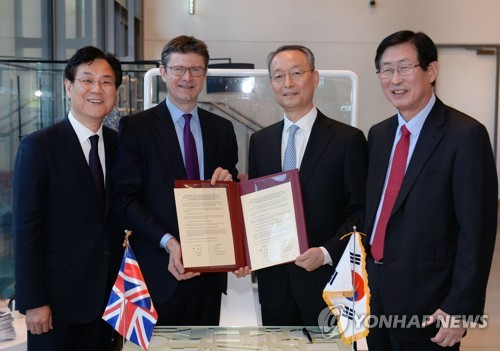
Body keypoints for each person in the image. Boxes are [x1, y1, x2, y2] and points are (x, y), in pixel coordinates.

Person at [364, 30, 498, 351]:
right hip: (375, 296)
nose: (394, 79)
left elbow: (476, 232)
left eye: (405, 67)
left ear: (431, 71)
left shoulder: (465, 136)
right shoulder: (379, 135)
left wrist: (460, 308)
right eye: (385, 69)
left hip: (431, 303)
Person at [111, 35, 238, 325]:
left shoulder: (222, 129)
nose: (187, 77)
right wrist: (169, 242)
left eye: (195, 69)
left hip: (209, 276)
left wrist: (228, 184)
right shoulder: (136, 128)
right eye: (179, 69)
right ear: (164, 72)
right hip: (157, 273)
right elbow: (125, 200)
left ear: (205, 75)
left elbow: (230, 196)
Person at [247, 45, 368, 326]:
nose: (287, 83)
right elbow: (255, 209)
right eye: (278, 76)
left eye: (296, 73)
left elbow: (361, 213)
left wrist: (326, 253)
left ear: (314, 78)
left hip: (327, 285)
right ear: (271, 84)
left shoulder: (347, 140)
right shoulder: (260, 141)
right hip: (274, 287)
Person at [12, 46, 124, 350]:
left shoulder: (120, 146)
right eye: (87, 80)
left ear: (115, 91)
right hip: (56, 307)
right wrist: (34, 302)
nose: (96, 89)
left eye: (106, 81)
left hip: (109, 305)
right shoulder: (39, 147)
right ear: (68, 86)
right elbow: (25, 230)